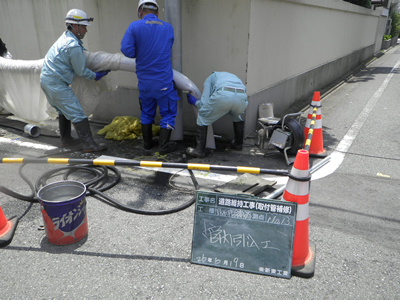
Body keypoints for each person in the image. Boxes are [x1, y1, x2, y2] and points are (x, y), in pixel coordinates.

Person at [40, 9, 110, 152]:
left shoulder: (65, 38)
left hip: (48, 81)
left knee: (63, 110)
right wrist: (96, 76)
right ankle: (89, 145)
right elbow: (81, 71)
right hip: (55, 83)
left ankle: (66, 139)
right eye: (84, 27)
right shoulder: (72, 45)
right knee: (77, 112)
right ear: (75, 26)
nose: (86, 30)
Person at [120, 0, 179, 155]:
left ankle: (147, 144)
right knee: (168, 114)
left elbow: (126, 50)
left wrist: (139, 52)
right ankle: (164, 146)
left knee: (146, 112)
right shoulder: (168, 28)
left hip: (145, 83)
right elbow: (169, 45)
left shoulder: (134, 26)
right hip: (163, 83)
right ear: (157, 12)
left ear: (140, 11)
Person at [186, 71, 248, 158]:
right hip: (241, 97)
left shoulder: (210, 78)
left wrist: (195, 102)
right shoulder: (233, 77)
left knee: (202, 116)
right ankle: (238, 145)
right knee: (237, 117)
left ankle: (199, 150)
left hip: (223, 95)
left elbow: (204, 103)